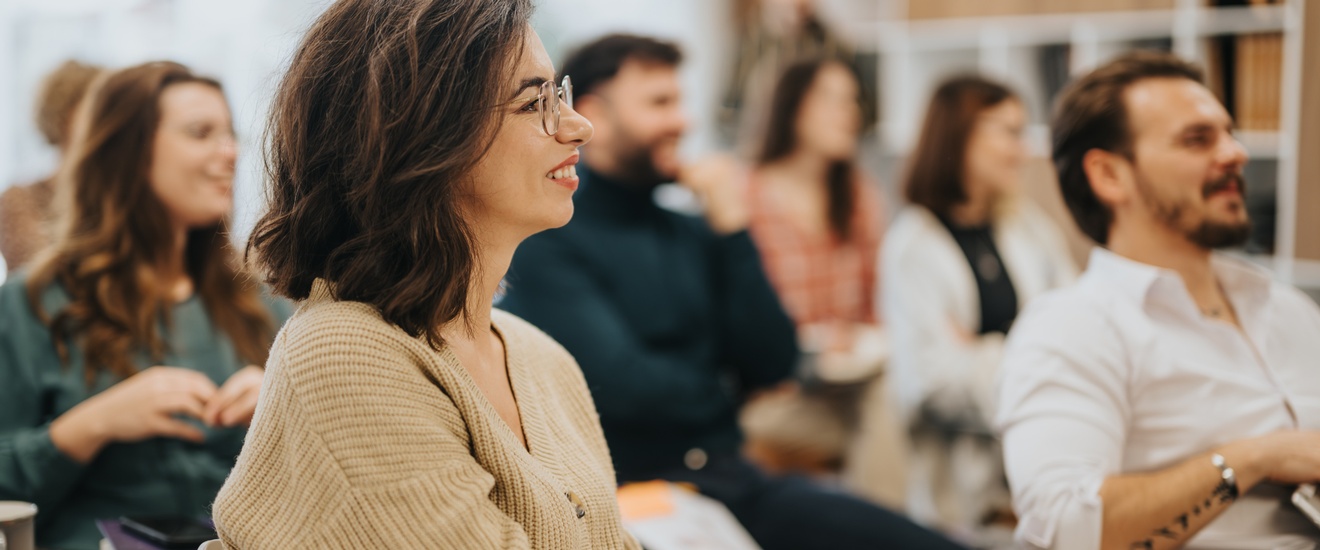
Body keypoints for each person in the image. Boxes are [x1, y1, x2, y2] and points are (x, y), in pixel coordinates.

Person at [499, 33, 963, 550]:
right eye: (660, 103)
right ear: (595, 116)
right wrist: (726, 389)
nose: (683, 122)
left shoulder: (693, 230)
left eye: (681, 101)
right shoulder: (548, 240)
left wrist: (735, 230)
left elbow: (774, 361)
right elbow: (622, 387)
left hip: (732, 481)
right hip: (629, 499)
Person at [212, 1, 639, 548]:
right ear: (426, 137)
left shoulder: (541, 357)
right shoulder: (346, 354)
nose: (580, 127)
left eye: (559, 95)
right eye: (535, 103)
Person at [996, 50, 1320, 550]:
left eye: (1229, 133)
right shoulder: (1072, 328)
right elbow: (1063, 529)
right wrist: (1258, 458)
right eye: (1197, 140)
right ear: (1109, 175)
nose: (1235, 153)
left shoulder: (1288, 309)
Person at [0, 61, 291, 550]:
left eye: (229, 134)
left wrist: (282, 410)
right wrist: (94, 423)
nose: (230, 153)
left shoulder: (259, 301)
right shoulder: (33, 304)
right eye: (200, 133)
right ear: (128, 153)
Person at [883, 75, 1078, 535]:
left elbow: (1076, 326)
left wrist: (981, 351)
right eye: (1009, 133)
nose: (1022, 150)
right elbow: (930, 383)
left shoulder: (1027, 225)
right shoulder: (912, 246)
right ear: (960, 137)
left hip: (1045, 459)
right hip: (964, 487)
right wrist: (1033, 360)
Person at [740, 57, 903, 506]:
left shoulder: (858, 196)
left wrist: (857, 336)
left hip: (850, 384)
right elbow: (735, 322)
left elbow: (879, 303)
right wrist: (811, 343)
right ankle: (890, 528)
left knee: (892, 400)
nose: (849, 113)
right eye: (832, 100)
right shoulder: (744, 198)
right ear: (792, 107)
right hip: (774, 394)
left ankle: (884, 526)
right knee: (889, 424)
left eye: (852, 101)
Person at [0, 60, 102, 272]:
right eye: (95, 108)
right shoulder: (17, 199)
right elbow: (36, 271)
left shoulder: (111, 198)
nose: (106, 120)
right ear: (64, 116)